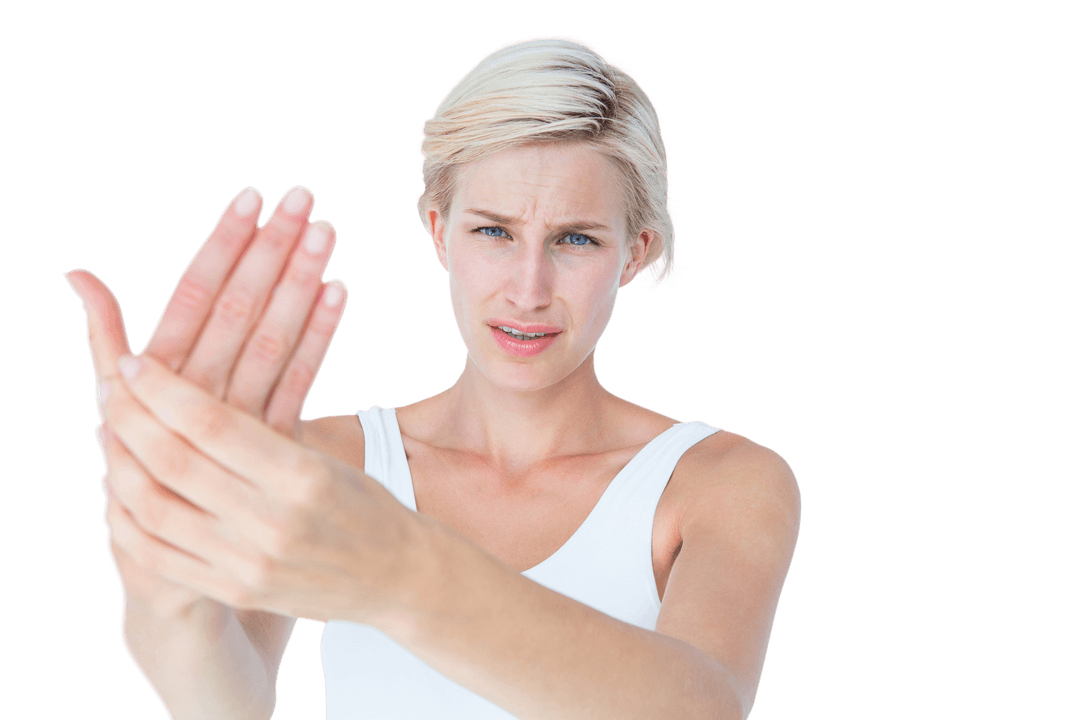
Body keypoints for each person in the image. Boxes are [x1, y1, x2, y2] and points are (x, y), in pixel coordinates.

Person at [65, 34, 802, 720]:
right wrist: (162, 581)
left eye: (575, 239)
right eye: (493, 231)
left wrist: (400, 571)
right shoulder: (329, 466)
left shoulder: (720, 483)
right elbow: (228, 706)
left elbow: (703, 707)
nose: (528, 289)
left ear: (635, 253)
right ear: (438, 231)